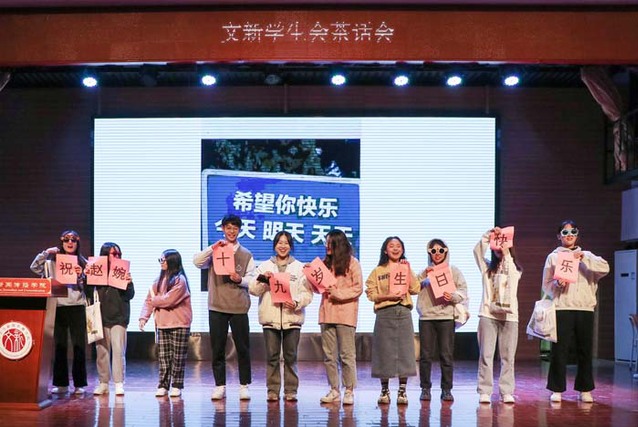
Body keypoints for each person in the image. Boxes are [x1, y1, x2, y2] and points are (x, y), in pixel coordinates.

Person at [542, 220, 609, 403]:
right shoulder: (553, 257)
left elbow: (605, 268)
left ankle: (585, 389)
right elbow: (546, 285)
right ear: (559, 236)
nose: (569, 235)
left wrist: (583, 258)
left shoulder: (588, 255)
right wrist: (557, 283)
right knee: (559, 350)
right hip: (562, 307)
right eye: (565, 232)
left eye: (573, 231)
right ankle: (556, 389)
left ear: (577, 234)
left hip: (584, 308)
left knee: (585, 350)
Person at [193, 214, 255, 400]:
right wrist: (212, 248)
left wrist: (240, 279)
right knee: (218, 348)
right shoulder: (215, 250)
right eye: (228, 228)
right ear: (222, 229)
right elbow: (197, 262)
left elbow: (252, 280)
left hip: (239, 306)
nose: (231, 231)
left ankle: (244, 385)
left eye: (235, 228)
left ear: (239, 230)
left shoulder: (246, 254)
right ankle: (220, 385)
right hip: (217, 306)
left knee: (243, 348)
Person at [248, 231, 313, 402]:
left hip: (292, 318)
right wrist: (263, 280)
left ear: (291, 246)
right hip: (270, 318)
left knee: (291, 357)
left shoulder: (300, 267)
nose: (282, 246)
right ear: (274, 245)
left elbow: (307, 294)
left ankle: (291, 390)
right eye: (279, 242)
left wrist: (296, 302)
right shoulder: (264, 266)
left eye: (286, 243)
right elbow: (253, 290)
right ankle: (272, 390)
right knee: (272, 357)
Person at [30, 230, 88, 395]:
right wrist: (46, 252)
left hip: (77, 306)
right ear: (61, 243)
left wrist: (82, 276)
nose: (70, 243)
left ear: (77, 243)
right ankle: (61, 384)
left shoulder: (82, 262)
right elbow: (34, 267)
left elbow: (90, 286)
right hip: (58, 306)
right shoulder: (52, 262)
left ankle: (79, 384)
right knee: (60, 346)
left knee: (78, 346)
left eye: (73, 240)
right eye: (66, 240)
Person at [365, 236, 420, 405]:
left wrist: (407, 270)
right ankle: (384, 390)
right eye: (391, 246)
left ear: (402, 250)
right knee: (384, 351)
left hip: (403, 312)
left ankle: (402, 390)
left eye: (398, 246)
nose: (395, 249)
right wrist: (387, 296)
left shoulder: (406, 268)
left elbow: (416, 288)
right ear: (385, 250)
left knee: (405, 352)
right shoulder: (377, 271)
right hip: (384, 312)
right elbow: (371, 293)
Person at [473, 227, 523, 404]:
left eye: (502, 244)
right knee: (486, 355)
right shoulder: (487, 268)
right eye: (497, 245)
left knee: (508, 357)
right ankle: (485, 391)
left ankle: (506, 391)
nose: (499, 249)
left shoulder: (516, 269)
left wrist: (506, 252)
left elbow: (511, 274)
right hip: (488, 315)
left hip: (510, 317)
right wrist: (488, 236)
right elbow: (477, 252)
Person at [416, 239, 469, 402]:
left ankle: (446, 389)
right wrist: (423, 279)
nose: (437, 254)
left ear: (446, 251)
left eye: (441, 250)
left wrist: (453, 296)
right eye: (433, 251)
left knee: (446, 355)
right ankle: (425, 389)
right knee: (425, 356)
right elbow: (412, 287)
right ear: (429, 253)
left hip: (446, 317)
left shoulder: (453, 271)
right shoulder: (424, 272)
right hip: (427, 317)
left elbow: (463, 291)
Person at [316, 229, 363, 405]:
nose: (327, 246)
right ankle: (334, 389)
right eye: (326, 243)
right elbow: (318, 289)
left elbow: (358, 288)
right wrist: (310, 277)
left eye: (331, 243)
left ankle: (349, 390)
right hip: (327, 313)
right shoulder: (325, 264)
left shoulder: (353, 263)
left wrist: (338, 293)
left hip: (345, 314)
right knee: (329, 356)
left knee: (347, 355)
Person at [139, 249, 193, 397]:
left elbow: (169, 300)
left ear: (172, 261)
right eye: (160, 260)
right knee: (164, 357)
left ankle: (176, 385)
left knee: (178, 357)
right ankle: (163, 385)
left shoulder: (180, 280)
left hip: (179, 323)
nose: (161, 263)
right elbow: (148, 301)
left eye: (163, 260)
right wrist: (143, 317)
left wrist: (155, 300)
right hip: (162, 324)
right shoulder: (157, 281)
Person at [85, 242, 135, 396]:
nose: (117, 256)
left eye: (119, 254)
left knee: (118, 351)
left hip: (119, 317)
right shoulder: (97, 270)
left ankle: (119, 383)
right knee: (102, 351)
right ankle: (103, 383)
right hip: (100, 317)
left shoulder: (122, 271)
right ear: (105, 255)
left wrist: (129, 283)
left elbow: (130, 295)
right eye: (114, 254)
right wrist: (86, 277)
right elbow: (88, 292)